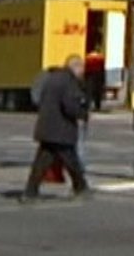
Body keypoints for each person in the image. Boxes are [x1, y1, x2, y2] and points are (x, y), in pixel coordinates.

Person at [21, 55, 91, 201]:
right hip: (61, 130)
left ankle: (30, 192)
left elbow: (39, 98)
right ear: (76, 67)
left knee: (41, 163)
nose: (83, 72)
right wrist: (82, 113)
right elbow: (70, 106)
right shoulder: (69, 81)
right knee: (71, 161)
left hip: (47, 127)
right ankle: (81, 188)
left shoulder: (52, 78)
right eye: (82, 68)